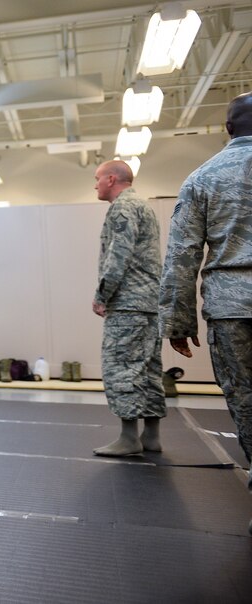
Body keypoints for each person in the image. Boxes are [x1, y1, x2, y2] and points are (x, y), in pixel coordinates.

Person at [159, 92, 252, 528]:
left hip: (232, 307)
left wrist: (177, 321)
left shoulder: (203, 177)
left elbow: (181, 255)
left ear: (228, 129)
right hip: (231, 306)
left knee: (247, 400)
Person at [90, 160, 166, 457]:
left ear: (111, 179)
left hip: (128, 304)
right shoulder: (143, 206)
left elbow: (117, 256)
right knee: (148, 369)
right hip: (148, 304)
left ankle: (128, 437)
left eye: (97, 179)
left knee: (122, 368)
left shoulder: (122, 208)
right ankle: (151, 435)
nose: (95, 184)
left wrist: (102, 295)